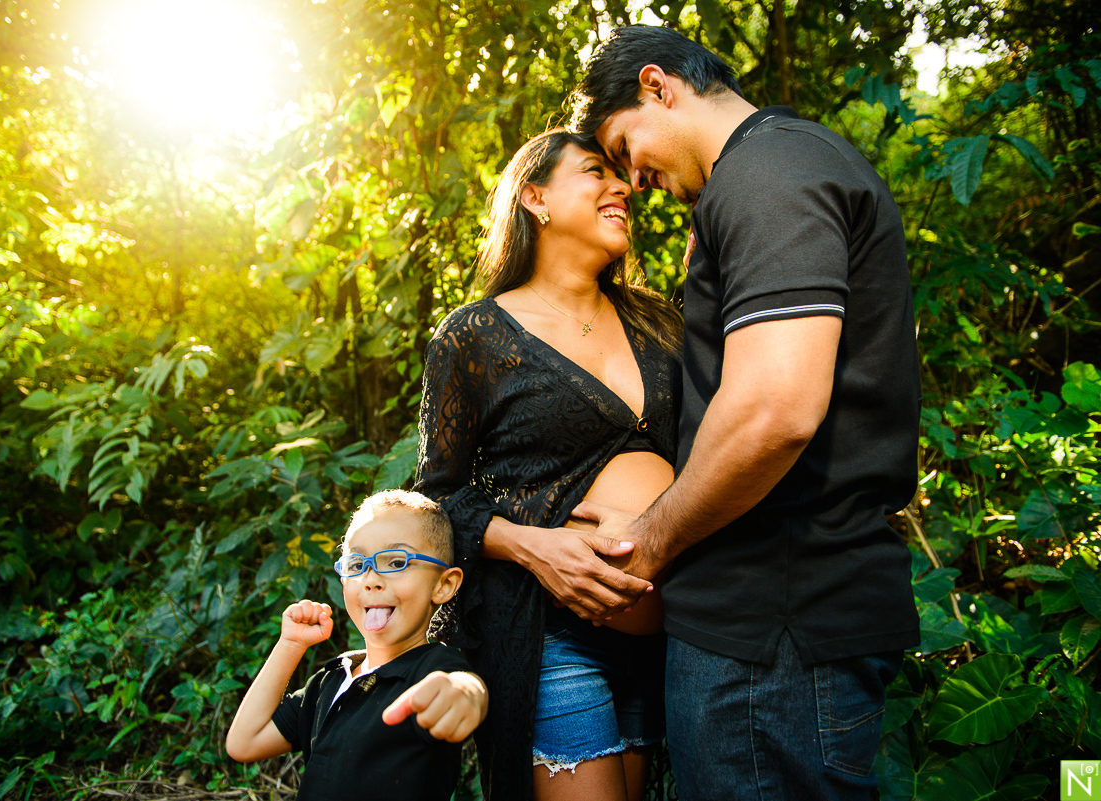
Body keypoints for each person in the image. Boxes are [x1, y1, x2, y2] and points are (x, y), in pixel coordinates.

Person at [564, 24, 922, 801]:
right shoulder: (773, 171)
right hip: (766, 627)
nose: (638, 179)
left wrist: (648, 543)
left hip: (775, 634)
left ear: (659, 86)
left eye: (627, 148)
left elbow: (774, 409)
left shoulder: (769, 174)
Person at [414, 128, 683, 801]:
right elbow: (435, 500)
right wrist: (536, 549)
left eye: (621, 175)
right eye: (597, 172)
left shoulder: (660, 324)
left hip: (664, 638)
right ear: (535, 197)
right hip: (547, 630)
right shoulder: (474, 335)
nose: (622, 186)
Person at [225, 490, 488, 801]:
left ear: (444, 585)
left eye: (396, 561)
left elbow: (465, 687)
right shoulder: (330, 681)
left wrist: (464, 696)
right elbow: (244, 743)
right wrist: (290, 645)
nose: (371, 578)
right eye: (356, 564)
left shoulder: (431, 668)